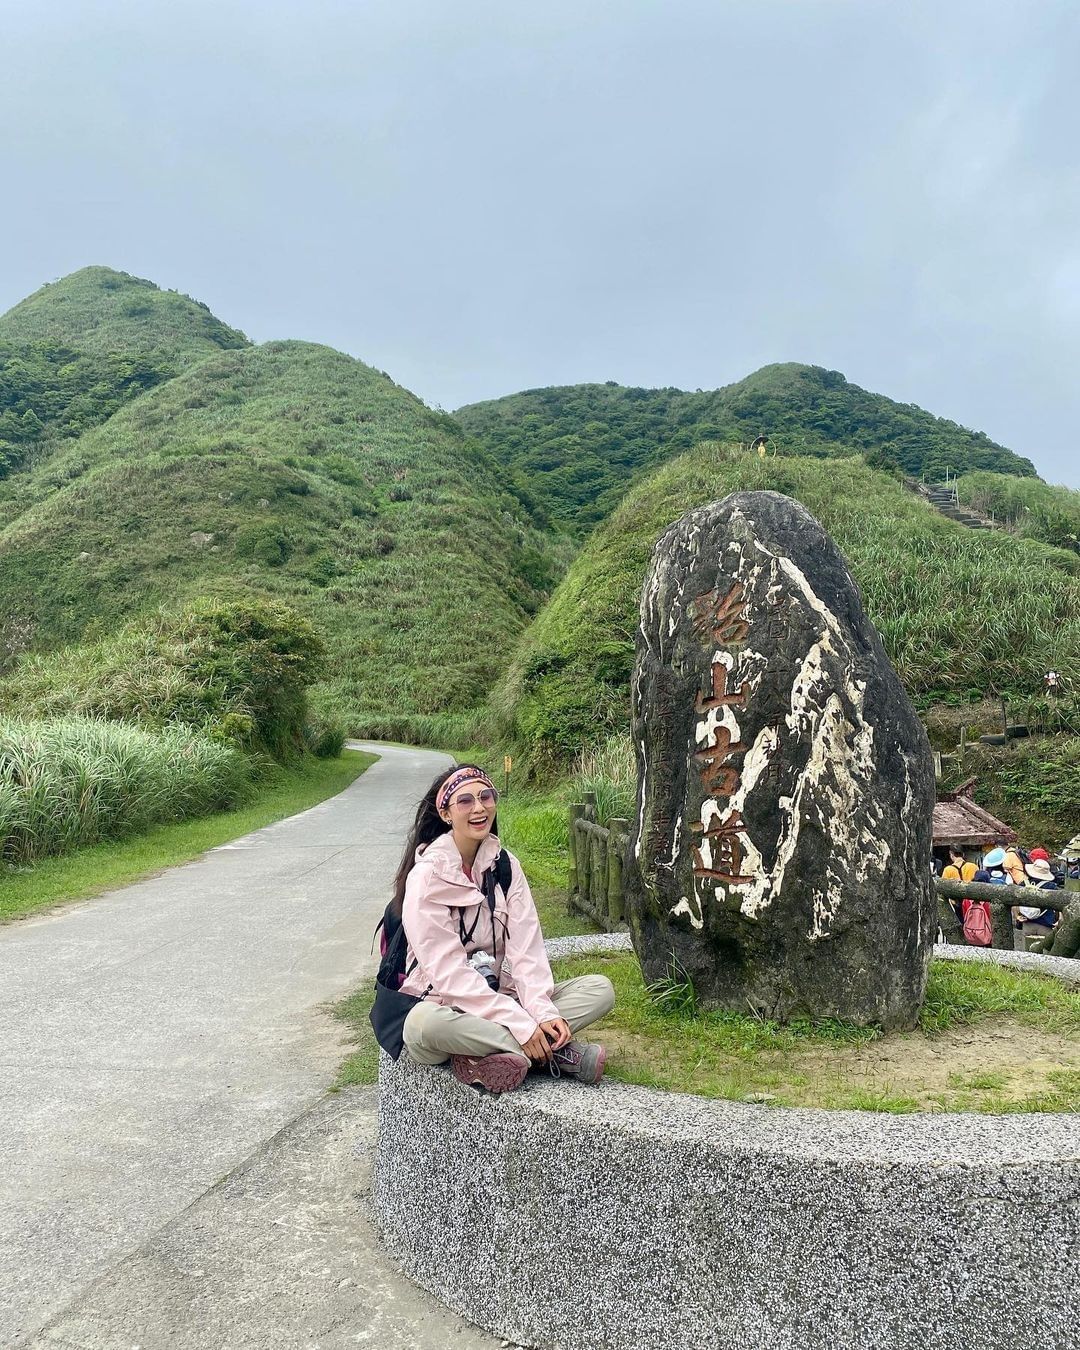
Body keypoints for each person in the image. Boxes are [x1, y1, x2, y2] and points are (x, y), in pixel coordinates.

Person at [395, 764, 615, 1095]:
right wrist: (523, 1024)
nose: (479, 808)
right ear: (446, 813)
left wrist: (540, 1012)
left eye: (486, 797)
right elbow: (448, 976)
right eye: (465, 801)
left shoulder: (506, 865)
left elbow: (527, 950)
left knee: (600, 989)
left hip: (499, 999)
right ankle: (555, 1053)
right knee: (421, 1026)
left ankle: (491, 1056)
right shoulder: (426, 878)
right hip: (445, 1008)